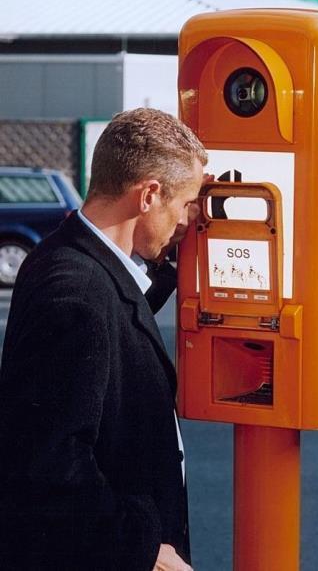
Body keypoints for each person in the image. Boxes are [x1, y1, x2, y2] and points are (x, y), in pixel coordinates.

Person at [0, 108, 207, 570]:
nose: (188, 222)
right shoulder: (76, 294)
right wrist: (145, 551)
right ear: (150, 194)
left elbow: (118, 316)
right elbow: (48, 462)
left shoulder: (68, 255)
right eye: (186, 204)